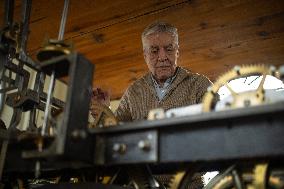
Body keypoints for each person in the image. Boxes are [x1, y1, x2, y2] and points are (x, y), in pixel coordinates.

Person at [113, 21, 212, 122]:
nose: (162, 57)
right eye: (154, 51)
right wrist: (101, 111)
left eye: (169, 49)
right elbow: (112, 130)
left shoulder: (200, 85)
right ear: (145, 56)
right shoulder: (133, 92)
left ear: (177, 52)